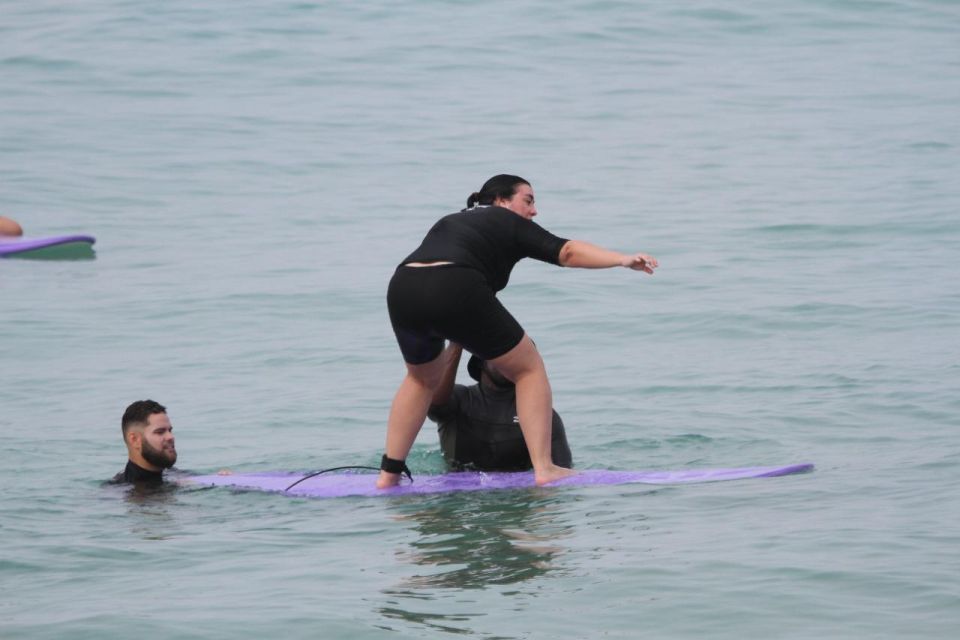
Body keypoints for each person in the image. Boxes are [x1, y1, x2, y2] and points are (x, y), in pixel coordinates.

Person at [380, 174, 657, 488]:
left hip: (403, 287)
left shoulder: (452, 221)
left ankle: (388, 477)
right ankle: (545, 468)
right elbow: (565, 252)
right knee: (529, 368)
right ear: (500, 200)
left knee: (419, 380)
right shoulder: (503, 219)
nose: (534, 211)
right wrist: (621, 260)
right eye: (528, 200)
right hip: (455, 282)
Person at [428, 343, 572, 470]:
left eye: (519, 356)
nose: (510, 360)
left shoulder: (543, 415)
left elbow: (561, 473)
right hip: (457, 496)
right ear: (480, 362)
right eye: (502, 353)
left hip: (516, 498)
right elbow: (434, 407)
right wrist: (456, 344)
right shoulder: (460, 399)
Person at [111, 399, 178, 485]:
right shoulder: (118, 492)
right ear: (134, 440)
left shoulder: (174, 474)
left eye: (170, 430)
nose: (171, 437)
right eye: (160, 432)